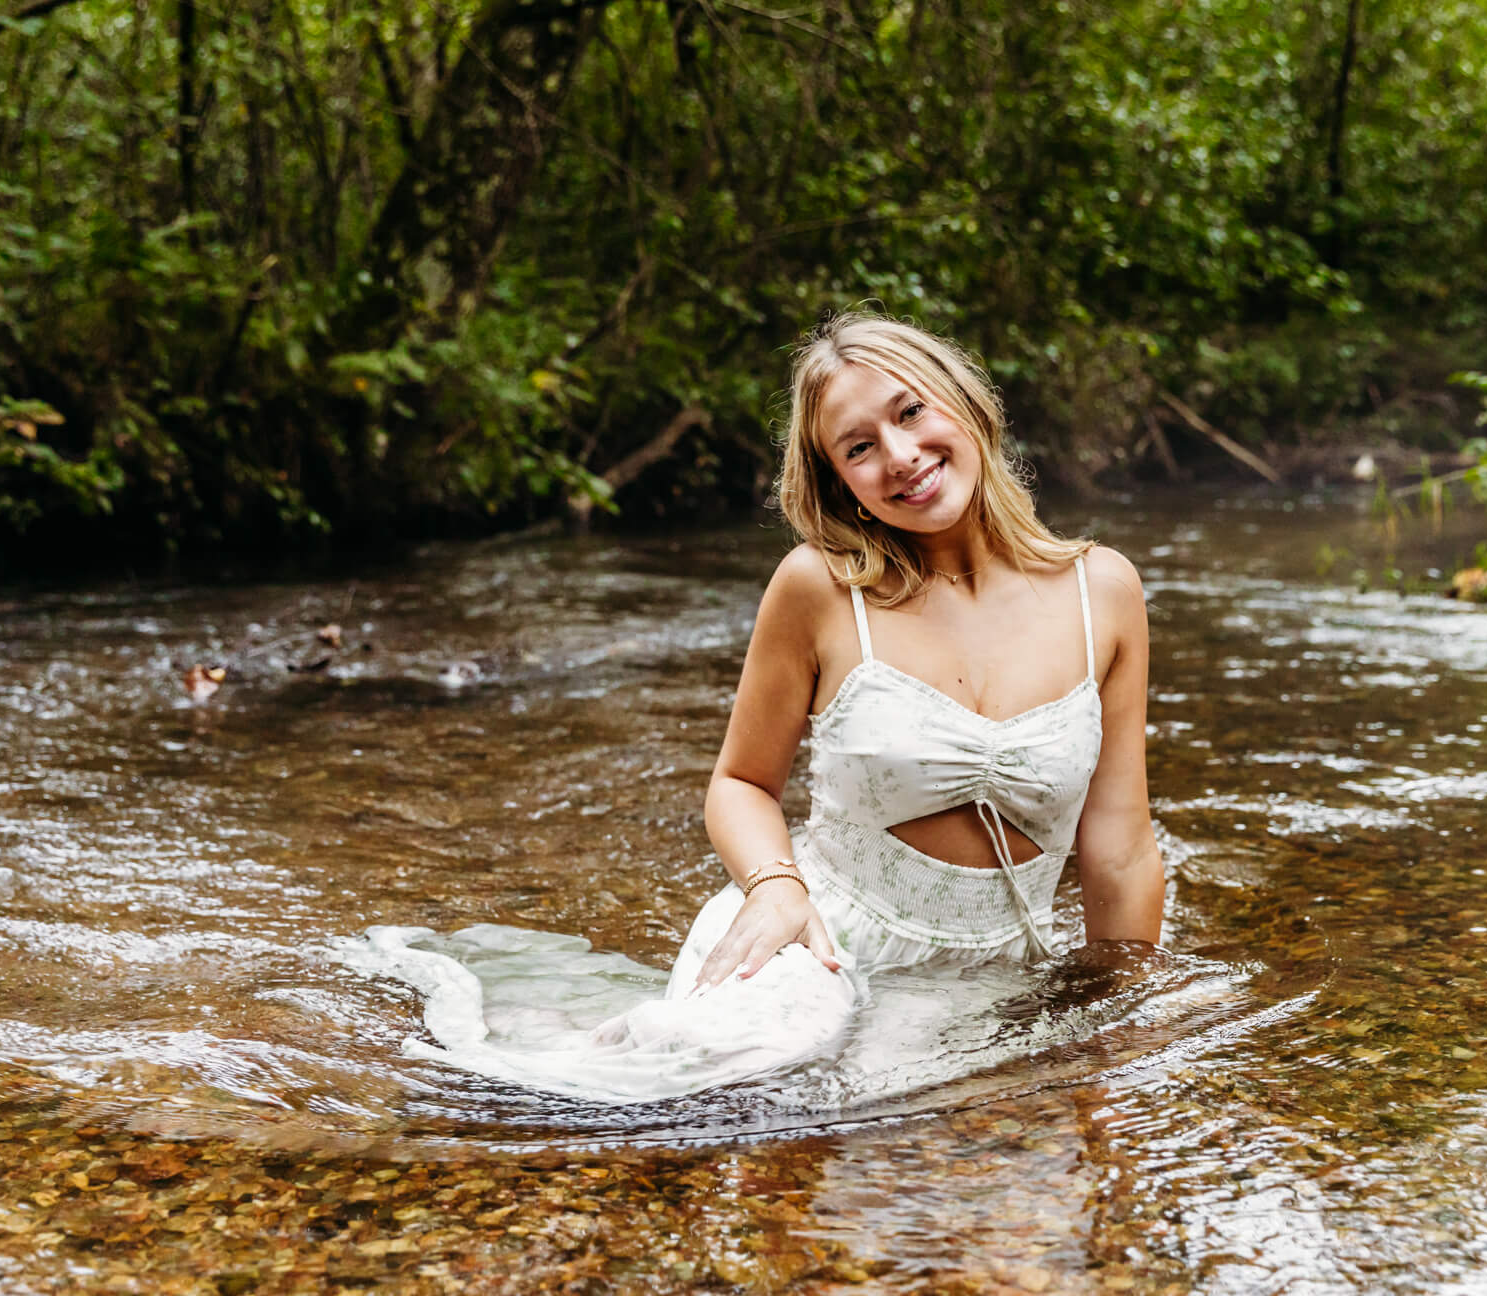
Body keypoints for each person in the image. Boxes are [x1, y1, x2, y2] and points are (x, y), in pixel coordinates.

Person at [356, 311, 1164, 1103]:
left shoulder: (1105, 594)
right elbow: (740, 782)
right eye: (860, 447)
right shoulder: (820, 590)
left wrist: (1125, 1025)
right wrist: (777, 886)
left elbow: (1120, 850)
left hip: (993, 978)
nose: (901, 455)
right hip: (816, 947)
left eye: (910, 410)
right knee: (708, 1098)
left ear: (965, 401)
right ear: (840, 483)